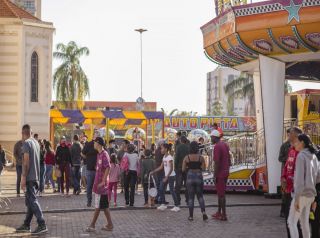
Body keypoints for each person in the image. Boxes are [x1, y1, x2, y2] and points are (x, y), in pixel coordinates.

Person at [16, 124, 47, 234]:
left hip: (29, 178)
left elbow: (26, 162)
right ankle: (26, 224)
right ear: (30, 132)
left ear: (23, 133)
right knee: (30, 201)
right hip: (36, 177)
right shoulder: (36, 143)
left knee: (32, 201)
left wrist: (23, 178)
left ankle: (42, 223)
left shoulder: (26, 143)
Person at [288, 134, 320, 238]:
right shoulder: (314, 156)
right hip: (311, 195)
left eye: (296, 142)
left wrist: (296, 198)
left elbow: (299, 181)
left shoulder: (301, 156)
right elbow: (318, 177)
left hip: (301, 194)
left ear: (302, 143)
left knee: (291, 222)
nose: (294, 144)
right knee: (304, 223)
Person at [86, 137, 113, 232]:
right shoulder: (99, 154)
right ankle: (110, 225)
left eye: (94, 143)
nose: (93, 144)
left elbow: (108, 168)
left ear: (98, 144)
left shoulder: (104, 154)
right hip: (99, 185)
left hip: (102, 187)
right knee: (104, 207)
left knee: (98, 206)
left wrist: (103, 181)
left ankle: (92, 225)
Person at [281, 127, 303, 238]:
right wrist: (283, 178)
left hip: (297, 192)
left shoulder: (301, 153)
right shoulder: (290, 150)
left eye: (291, 134)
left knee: (295, 222)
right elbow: (286, 166)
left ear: (296, 136)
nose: (288, 135)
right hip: (288, 190)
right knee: (288, 220)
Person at [182, 141, 208, 221]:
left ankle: (191, 216)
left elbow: (183, 169)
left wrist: (188, 168)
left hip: (189, 177)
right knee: (200, 196)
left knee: (190, 198)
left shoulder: (186, 157)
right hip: (199, 176)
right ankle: (203, 212)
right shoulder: (201, 157)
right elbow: (204, 168)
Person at [151, 143, 180, 212]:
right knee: (161, 189)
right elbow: (161, 167)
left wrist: (166, 177)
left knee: (172, 190)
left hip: (171, 176)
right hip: (167, 176)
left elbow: (171, 168)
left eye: (162, 148)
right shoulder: (164, 157)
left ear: (166, 149)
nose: (161, 150)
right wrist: (153, 171)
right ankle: (163, 204)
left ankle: (177, 205)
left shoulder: (170, 157)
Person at [211, 129, 230, 221]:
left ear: (215, 137)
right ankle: (219, 212)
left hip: (220, 173)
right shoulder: (224, 144)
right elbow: (229, 159)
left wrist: (215, 175)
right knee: (220, 193)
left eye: (211, 137)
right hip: (225, 171)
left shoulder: (217, 146)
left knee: (221, 195)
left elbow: (217, 162)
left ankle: (224, 215)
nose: (211, 139)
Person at [82, 132, 98, 207]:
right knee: (89, 186)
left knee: (98, 187)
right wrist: (87, 159)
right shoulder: (88, 144)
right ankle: (89, 201)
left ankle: (98, 202)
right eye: (96, 135)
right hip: (90, 169)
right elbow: (82, 153)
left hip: (98, 170)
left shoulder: (100, 144)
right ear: (93, 136)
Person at [279, 128, 292, 217]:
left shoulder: (297, 145)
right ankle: (283, 210)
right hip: (285, 171)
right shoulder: (284, 145)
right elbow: (279, 158)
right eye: (289, 134)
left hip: (293, 171)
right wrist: (288, 160)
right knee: (285, 191)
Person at [174, 135, 190, 206]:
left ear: (180, 141)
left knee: (178, 185)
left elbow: (176, 158)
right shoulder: (188, 147)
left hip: (179, 168)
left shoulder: (178, 147)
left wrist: (175, 167)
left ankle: (178, 200)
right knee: (187, 185)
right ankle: (187, 200)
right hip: (187, 168)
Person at [154, 139, 165, 204]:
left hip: (157, 168)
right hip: (161, 168)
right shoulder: (161, 151)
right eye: (164, 143)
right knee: (161, 185)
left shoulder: (156, 150)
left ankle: (157, 198)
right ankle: (160, 199)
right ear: (161, 144)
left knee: (158, 184)